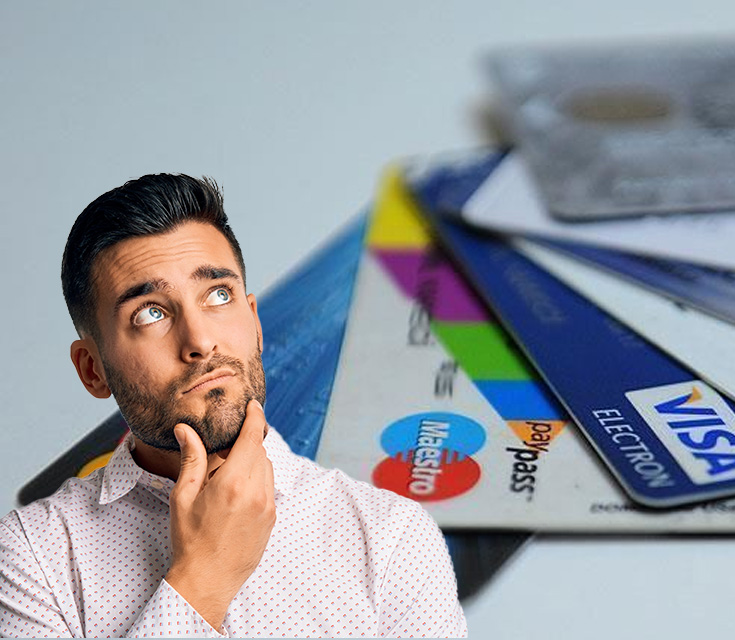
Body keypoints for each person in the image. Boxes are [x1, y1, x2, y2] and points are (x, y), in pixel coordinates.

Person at [0, 174, 466, 637]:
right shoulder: (33, 556)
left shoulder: (391, 537)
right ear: (93, 370)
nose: (200, 341)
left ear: (256, 324)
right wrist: (204, 577)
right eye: (150, 313)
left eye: (218, 295)